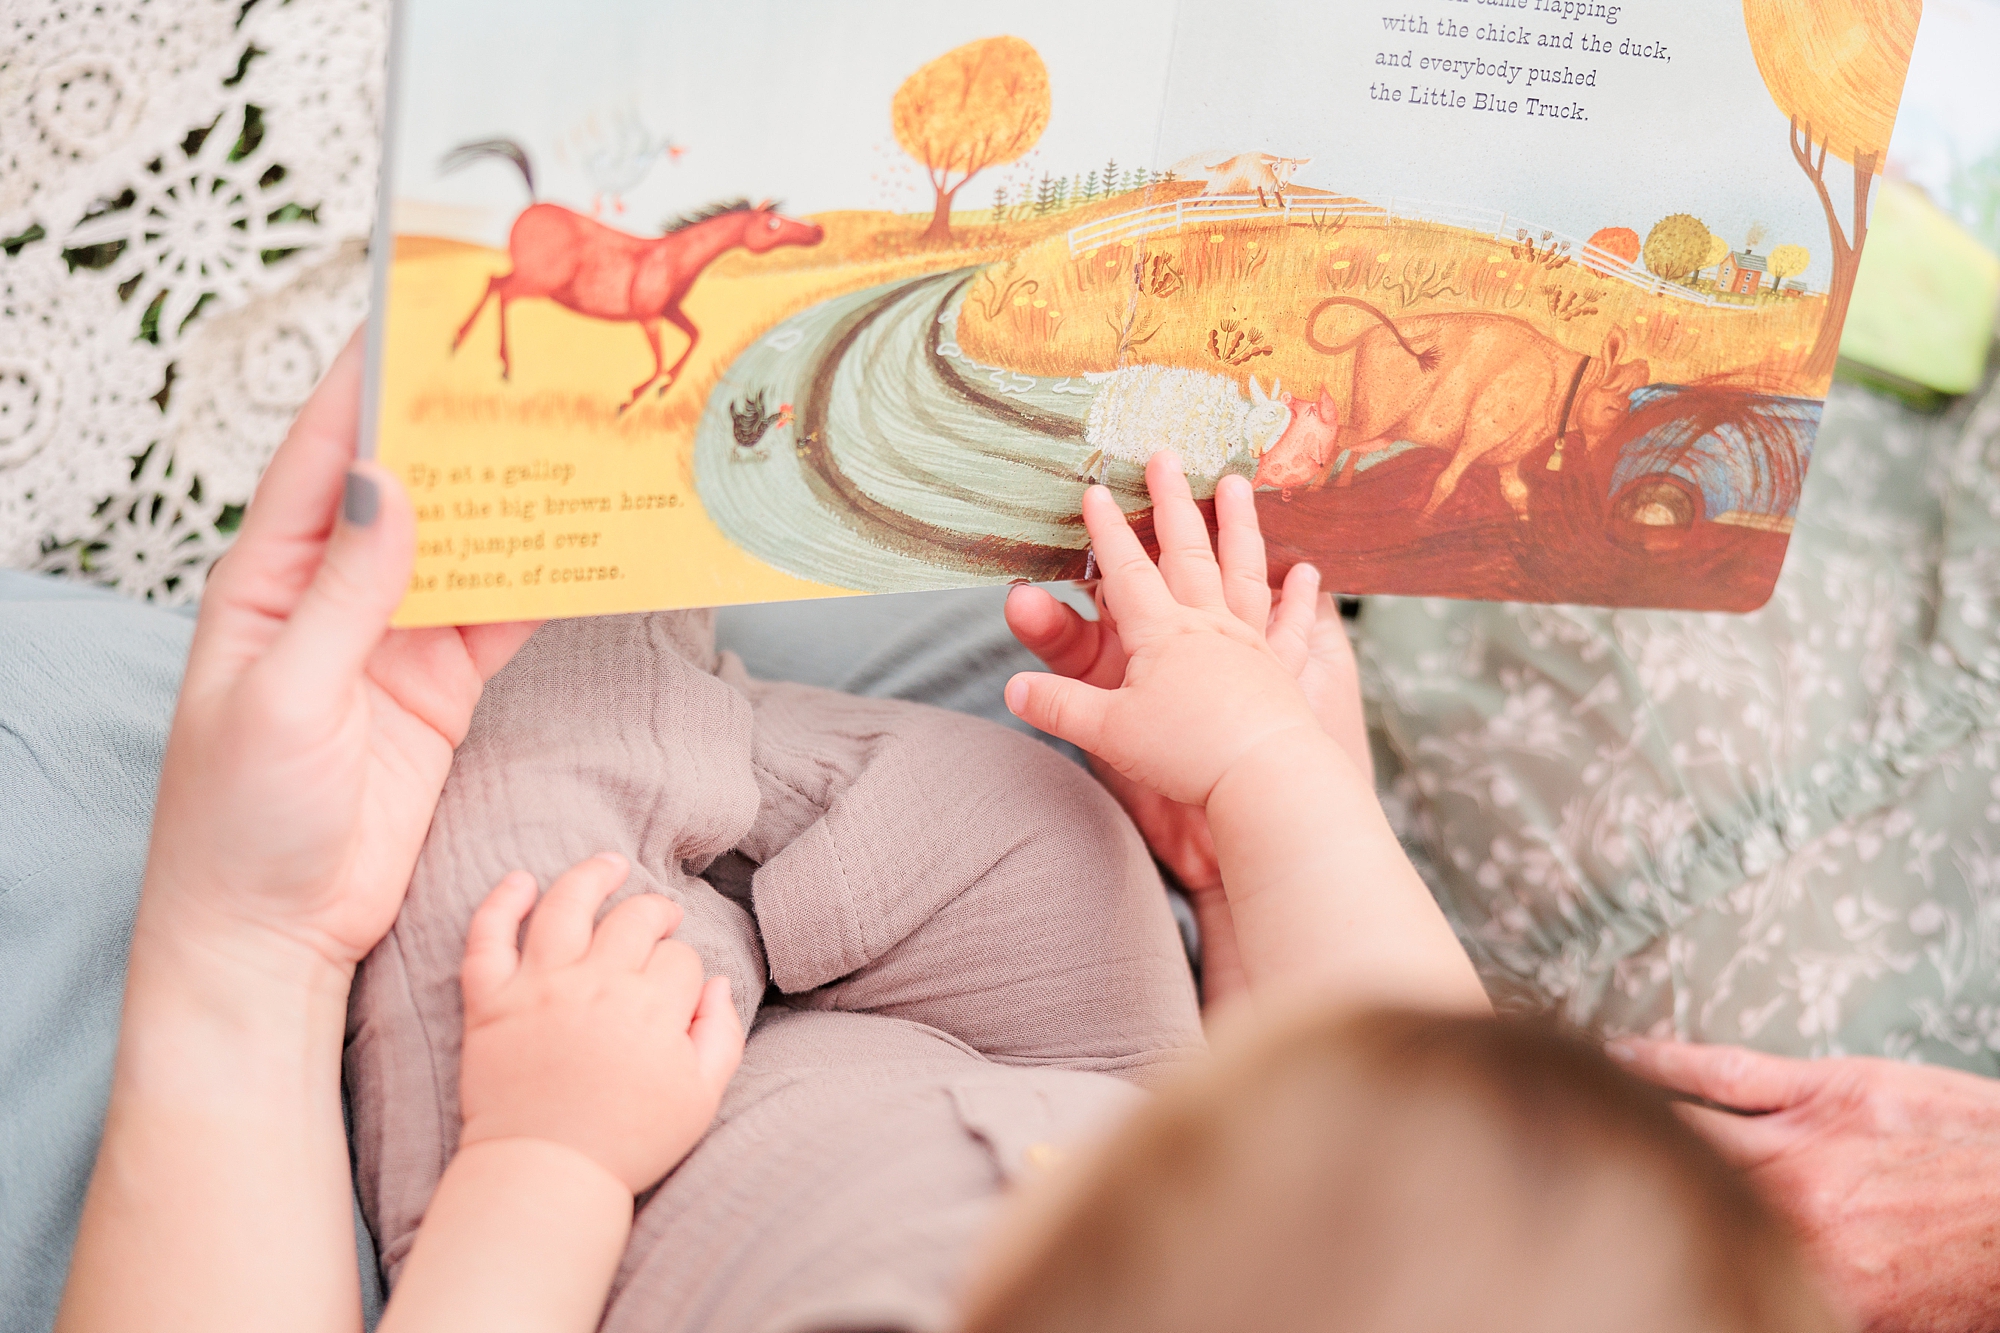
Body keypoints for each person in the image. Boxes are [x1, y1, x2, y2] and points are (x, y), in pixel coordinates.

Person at [56, 339, 1836, 1333]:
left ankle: (663, 710)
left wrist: (550, 1162)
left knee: (525, 780)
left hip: (612, 1138)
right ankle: (744, 768)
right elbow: (1413, 1086)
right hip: (1090, 1063)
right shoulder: (1363, 1203)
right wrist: (1276, 787)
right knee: (1059, 819)